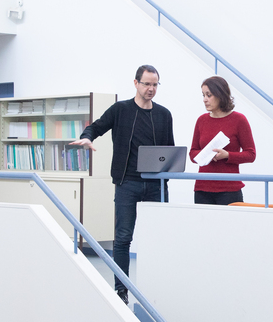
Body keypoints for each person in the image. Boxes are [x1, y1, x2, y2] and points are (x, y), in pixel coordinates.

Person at [70, 65, 174, 303]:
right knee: (124, 237)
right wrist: (87, 137)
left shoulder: (164, 114)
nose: (151, 89)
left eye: (155, 84)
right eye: (146, 84)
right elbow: (96, 126)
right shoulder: (121, 110)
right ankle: (121, 290)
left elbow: (170, 150)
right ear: (136, 83)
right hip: (127, 182)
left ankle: (157, 290)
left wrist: (169, 174)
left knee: (159, 238)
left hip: (156, 185)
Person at [189, 76, 255, 205]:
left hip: (229, 189)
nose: (205, 99)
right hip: (202, 188)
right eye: (203, 95)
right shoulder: (201, 120)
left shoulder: (239, 120)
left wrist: (227, 155)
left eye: (209, 95)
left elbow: (251, 154)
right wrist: (207, 154)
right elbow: (192, 154)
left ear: (220, 95)